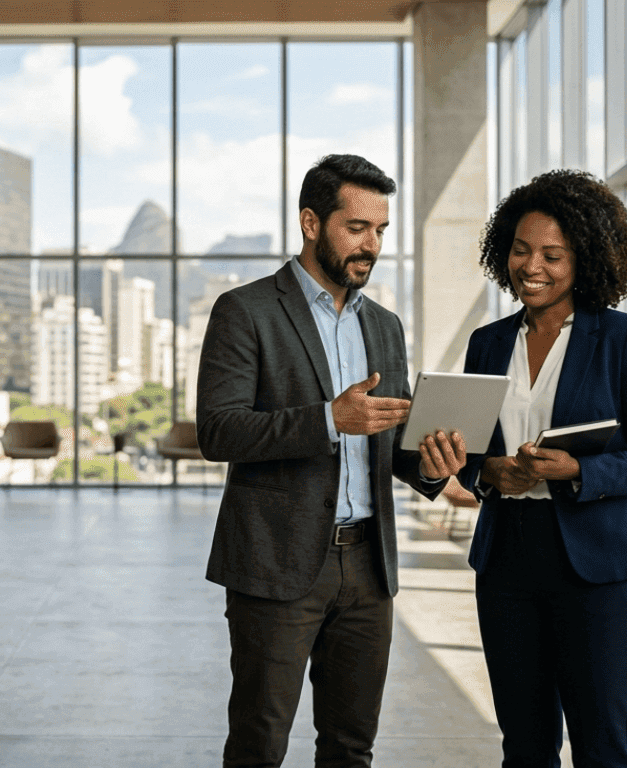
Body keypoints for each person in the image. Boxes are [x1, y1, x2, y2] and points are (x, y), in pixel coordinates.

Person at [196, 153, 467, 768]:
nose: (371, 245)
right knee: (259, 743)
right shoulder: (245, 311)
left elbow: (389, 446)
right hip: (277, 563)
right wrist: (327, 419)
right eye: (357, 228)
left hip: (369, 569)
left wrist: (431, 463)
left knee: (352, 745)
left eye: (381, 231)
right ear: (311, 222)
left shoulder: (387, 327)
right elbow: (218, 432)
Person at [455, 169, 627, 768]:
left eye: (552, 255)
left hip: (600, 569)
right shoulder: (486, 343)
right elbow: (467, 452)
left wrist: (577, 469)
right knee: (524, 747)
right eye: (521, 250)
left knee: (603, 747)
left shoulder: (624, 339)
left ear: (587, 260)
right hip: (507, 563)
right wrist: (486, 473)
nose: (532, 266)